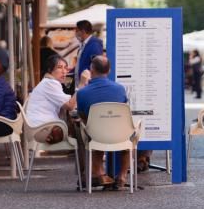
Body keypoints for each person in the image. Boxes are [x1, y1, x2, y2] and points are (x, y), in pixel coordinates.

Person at [76, 56, 129, 189]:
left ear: (91, 70)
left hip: (96, 135)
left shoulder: (82, 93)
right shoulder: (120, 89)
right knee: (129, 141)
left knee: (85, 130)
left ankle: (99, 172)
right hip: (119, 136)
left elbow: (82, 116)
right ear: (109, 70)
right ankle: (122, 175)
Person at [26, 54, 76, 144]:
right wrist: (80, 89)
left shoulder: (49, 82)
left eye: (65, 68)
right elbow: (70, 106)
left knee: (74, 127)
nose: (64, 71)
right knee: (79, 130)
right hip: (41, 130)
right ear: (50, 70)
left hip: (38, 127)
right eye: (60, 67)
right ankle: (82, 155)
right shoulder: (50, 83)